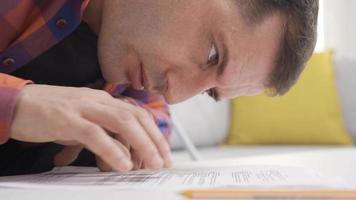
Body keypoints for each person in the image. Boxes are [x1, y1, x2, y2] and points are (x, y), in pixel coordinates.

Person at [0, 0, 318, 175]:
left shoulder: (137, 66)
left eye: (208, 92)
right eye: (212, 54)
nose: (174, 94)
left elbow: (155, 119)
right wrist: (15, 104)